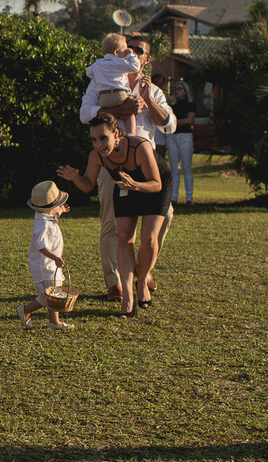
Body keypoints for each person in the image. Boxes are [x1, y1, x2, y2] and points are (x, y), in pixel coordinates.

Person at [79, 32, 175, 300]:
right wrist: (122, 110)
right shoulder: (101, 81)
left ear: (146, 58)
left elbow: (169, 125)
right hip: (112, 163)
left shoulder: (154, 89)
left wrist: (147, 101)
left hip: (146, 165)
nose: (131, 52)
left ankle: (143, 271)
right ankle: (115, 281)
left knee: (164, 216)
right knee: (112, 224)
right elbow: (85, 114)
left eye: (137, 50)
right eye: (127, 48)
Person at [58, 113, 170, 318]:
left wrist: (135, 185)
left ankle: (142, 281)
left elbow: (156, 184)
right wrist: (75, 178)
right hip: (125, 187)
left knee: (148, 238)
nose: (98, 144)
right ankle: (128, 298)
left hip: (154, 187)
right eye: (94, 139)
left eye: (103, 137)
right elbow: (88, 185)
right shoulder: (96, 156)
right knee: (124, 237)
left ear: (116, 133)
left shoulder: (140, 147)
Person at [16, 181, 73, 330]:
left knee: (53, 294)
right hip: (44, 266)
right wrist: (55, 257)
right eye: (59, 205)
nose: (61, 206)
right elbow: (41, 246)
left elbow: (52, 217)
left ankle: (54, 322)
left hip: (49, 265)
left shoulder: (45, 217)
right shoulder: (43, 225)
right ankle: (26, 310)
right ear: (50, 208)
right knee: (48, 297)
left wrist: (60, 212)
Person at [86, 33, 141, 137]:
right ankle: (131, 134)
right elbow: (135, 67)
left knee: (110, 118)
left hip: (104, 98)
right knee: (129, 114)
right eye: (124, 51)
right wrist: (130, 54)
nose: (125, 55)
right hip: (119, 95)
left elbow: (88, 73)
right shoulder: (119, 62)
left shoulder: (98, 63)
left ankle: (115, 133)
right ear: (116, 52)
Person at [167, 80, 196, 205]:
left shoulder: (191, 105)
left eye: (179, 88)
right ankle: (174, 197)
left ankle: (189, 197)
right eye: (175, 89)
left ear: (185, 91)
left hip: (185, 136)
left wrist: (174, 122)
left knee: (186, 167)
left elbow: (189, 121)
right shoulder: (171, 108)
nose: (176, 91)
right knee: (174, 168)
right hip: (173, 137)